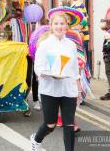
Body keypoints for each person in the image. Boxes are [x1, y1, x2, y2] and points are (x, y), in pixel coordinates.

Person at [30, 11, 81, 151]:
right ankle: (36, 140)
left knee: (69, 124)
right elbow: (38, 67)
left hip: (68, 88)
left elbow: (75, 68)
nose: (59, 26)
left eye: (62, 23)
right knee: (50, 124)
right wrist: (46, 74)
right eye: (56, 23)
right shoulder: (45, 44)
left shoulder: (71, 45)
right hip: (50, 89)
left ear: (67, 26)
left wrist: (78, 89)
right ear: (51, 26)